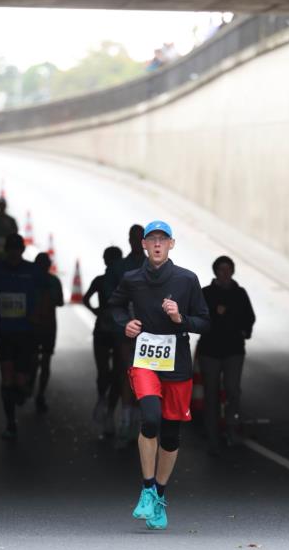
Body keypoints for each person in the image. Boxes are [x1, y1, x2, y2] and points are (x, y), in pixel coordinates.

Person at [109, 220, 210, 530]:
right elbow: (113, 305)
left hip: (177, 362)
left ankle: (159, 497)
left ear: (171, 245)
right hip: (145, 360)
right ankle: (147, 488)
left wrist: (180, 318)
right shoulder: (133, 278)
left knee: (170, 434)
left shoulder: (186, 280)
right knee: (150, 418)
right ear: (143, 244)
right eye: (151, 239)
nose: (156, 244)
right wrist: (125, 323)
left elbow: (204, 322)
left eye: (162, 240)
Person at [0, 233, 53, 439]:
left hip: (25, 332)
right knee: (7, 376)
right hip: (3, 330)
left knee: (20, 380)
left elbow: (46, 292)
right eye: (10, 250)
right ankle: (10, 422)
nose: (13, 254)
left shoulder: (32, 271)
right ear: (6, 251)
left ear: (22, 251)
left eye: (17, 250)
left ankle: (24, 388)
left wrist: (39, 314)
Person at [198, 255, 256, 454]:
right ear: (215, 272)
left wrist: (244, 330)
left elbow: (249, 316)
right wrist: (215, 313)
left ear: (232, 271)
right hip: (210, 350)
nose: (225, 273)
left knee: (232, 390)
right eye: (221, 269)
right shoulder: (205, 293)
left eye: (228, 269)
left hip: (233, 350)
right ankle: (212, 434)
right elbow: (196, 316)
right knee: (211, 393)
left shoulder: (240, 294)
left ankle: (232, 428)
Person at [83, 245, 124, 434]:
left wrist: (97, 312)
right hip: (117, 332)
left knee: (104, 371)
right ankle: (109, 412)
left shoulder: (100, 280)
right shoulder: (125, 281)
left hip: (102, 329)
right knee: (116, 374)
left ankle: (102, 400)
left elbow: (85, 298)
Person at [111, 224, 145, 446]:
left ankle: (140, 424)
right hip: (127, 332)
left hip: (150, 333)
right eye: (132, 238)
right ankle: (126, 422)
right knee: (127, 375)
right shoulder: (121, 267)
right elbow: (113, 299)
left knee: (145, 376)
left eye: (138, 238)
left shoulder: (153, 265)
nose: (135, 242)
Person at [27, 253, 64, 412]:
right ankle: (40, 394)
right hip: (49, 325)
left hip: (33, 325)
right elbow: (60, 302)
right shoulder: (54, 281)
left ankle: (30, 386)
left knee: (33, 359)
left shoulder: (29, 281)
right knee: (46, 361)